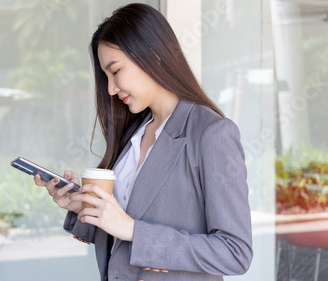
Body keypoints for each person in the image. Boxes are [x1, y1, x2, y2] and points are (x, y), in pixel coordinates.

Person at [34, 3, 252, 281]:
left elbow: (235, 253)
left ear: (154, 55)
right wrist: (84, 207)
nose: (111, 88)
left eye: (115, 71)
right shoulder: (134, 133)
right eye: (106, 76)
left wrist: (134, 231)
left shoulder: (212, 133)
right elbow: (120, 236)